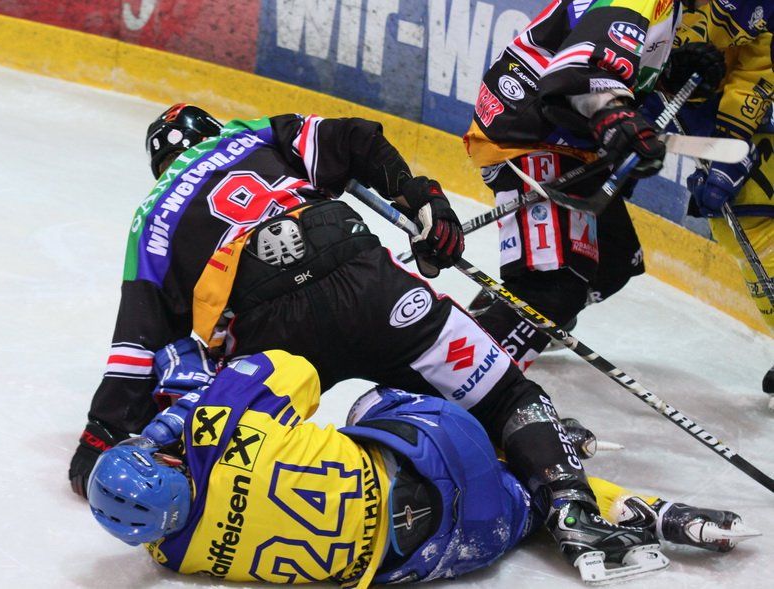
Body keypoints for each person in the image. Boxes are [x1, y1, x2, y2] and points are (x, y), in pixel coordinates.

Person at [70, 103, 662, 570]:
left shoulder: (152, 218)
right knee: (505, 394)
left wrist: (100, 438)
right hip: (365, 281)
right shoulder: (252, 135)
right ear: (212, 130)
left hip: (271, 337)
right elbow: (355, 139)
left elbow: (137, 347)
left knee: (236, 453)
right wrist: (422, 198)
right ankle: (568, 502)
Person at [87, 343, 758, 586]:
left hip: (452, 550)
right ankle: (547, 451)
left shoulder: (178, 555)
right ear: (166, 460)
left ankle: (647, 512)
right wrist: (179, 416)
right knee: (364, 398)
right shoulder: (219, 425)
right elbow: (295, 369)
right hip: (442, 447)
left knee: (516, 501)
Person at [462, 0, 726, 369]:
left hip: (563, 135)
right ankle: (454, 384)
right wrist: (614, 116)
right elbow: (579, 68)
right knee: (554, 289)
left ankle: (503, 315)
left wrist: (668, 76)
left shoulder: (671, 6)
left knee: (614, 262)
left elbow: (606, 52)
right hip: (532, 134)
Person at [667, 0, 774, 401]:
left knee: (757, 226)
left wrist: (732, 139)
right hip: (705, 110)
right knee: (740, 229)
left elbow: (758, 67)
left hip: (751, 113)